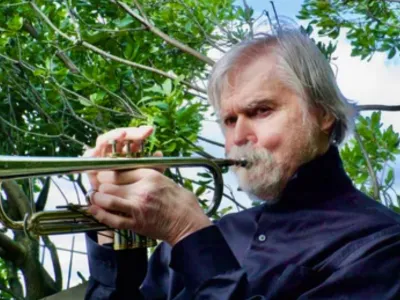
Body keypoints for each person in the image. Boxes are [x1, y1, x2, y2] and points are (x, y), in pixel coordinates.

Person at [84, 28, 400, 299]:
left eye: (261, 111)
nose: (239, 136)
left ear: (323, 114)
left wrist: (189, 235)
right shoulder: (216, 234)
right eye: (229, 120)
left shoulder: (381, 243)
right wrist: (113, 229)